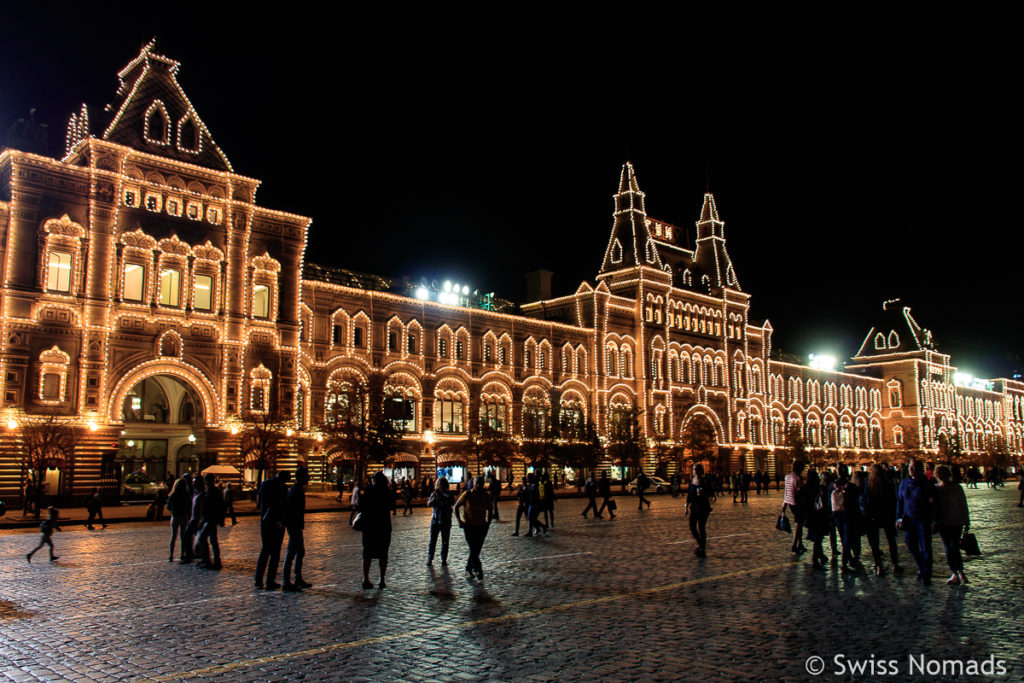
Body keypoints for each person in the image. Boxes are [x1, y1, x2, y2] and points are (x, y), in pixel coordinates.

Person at [897, 460, 935, 584]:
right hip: (909, 519)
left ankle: (926, 574)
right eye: (909, 467)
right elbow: (900, 501)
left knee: (925, 547)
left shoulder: (927, 483)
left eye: (913, 467)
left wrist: (934, 520)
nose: (911, 469)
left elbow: (934, 503)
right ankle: (922, 566)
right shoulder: (904, 483)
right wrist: (898, 517)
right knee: (910, 545)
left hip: (923, 519)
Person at [861, 464, 902, 576]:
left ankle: (878, 565)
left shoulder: (868, 483)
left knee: (875, 542)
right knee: (891, 540)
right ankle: (895, 564)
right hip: (886, 514)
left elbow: (865, 498)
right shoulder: (887, 484)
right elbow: (893, 499)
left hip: (873, 515)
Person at [933, 464, 969, 585]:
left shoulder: (957, 488)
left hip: (956, 521)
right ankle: (955, 572)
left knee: (954, 547)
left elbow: (963, 504)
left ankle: (960, 572)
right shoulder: (936, 489)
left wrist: (967, 521)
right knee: (948, 549)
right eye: (939, 474)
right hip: (943, 523)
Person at [454, 475, 495, 580]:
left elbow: (490, 511)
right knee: (473, 548)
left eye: (480, 483)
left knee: (475, 550)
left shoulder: (486, 496)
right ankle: (478, 569)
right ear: (473, 483)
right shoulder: (467, 494)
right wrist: (459, 521)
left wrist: (488, 523)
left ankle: (468, 568)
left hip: (481, 526)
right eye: (476, 483)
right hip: (469, 526)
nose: (478, 485)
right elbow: (456, 507)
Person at [359, 471, 394, 589]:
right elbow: (392, 506)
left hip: (369, 526)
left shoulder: (368, 491)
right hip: (383, 526)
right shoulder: (387, 492)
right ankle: (382, 580)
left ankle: (366, 579)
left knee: (367, 553)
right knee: (383, 554)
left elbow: (360, 506)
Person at [255, 471, 289, 590]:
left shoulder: (265, 484)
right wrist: (281, 520)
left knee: (265, 551)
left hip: (265, 521)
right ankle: (270, 580)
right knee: (275, 553)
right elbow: (283, 505)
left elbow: (259, 500)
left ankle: (258, 580)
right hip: (276, 523)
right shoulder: (281, 487)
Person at [283, 467, 311, 591]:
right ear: (301, 477)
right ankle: (286, 581)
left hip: (296, 525)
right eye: (307, 476)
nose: (309, 478)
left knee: (300, 552)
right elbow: (290, 509)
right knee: (292, 553)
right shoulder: (296, 491)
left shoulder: (297, 489)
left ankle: (297, 578)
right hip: (294, 525)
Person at [798, 469, 828, 569]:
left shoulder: (804, 488)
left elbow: (797, 499)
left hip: (809, 516)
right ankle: (815, 560)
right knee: (818, 539)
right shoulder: (820, 488)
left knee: (817, 538)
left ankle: (821, 556)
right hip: (819, 515)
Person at [195, 473, 225, 570]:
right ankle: (215, 561)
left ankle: (207, 560)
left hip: (210, 519)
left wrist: (203, 520)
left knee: (203, 538)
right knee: (213, 540)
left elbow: (214, 507)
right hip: (211, 519)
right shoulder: (212, 491)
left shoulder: (212, 492)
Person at [685, 464, 715, 557]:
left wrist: (704, 494)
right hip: (694, 507)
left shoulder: (705, 481)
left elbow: (712, 496)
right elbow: (689, 496)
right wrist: (686, 507)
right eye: (694, 469)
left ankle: (702, 548)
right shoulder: (692, 481)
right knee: (692, 527)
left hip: (703, 507)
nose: (695, 471)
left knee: (701, 528)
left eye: (697, 469)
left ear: (701, 470)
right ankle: (700, 544)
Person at [426, 477, 455, 565]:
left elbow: (452, 503)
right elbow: (428, 504)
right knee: (432, 540)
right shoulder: (435, 494)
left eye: (443, 485)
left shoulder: (449, 494)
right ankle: (430, 558)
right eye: (440, 485)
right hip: (435, 519)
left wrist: (444, 499)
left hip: (445, 519)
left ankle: (443, 559)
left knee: (445, 541)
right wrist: (435, 498)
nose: (441, 487)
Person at [782, 461, 806, 554]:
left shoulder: (787, 477)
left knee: (798, 523)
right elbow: (800, 492)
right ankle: (794, 544)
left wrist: (783, 507)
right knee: (798, 524)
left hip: (789, 503)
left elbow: (786, 491)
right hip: (798, 503)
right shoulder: (798, 478)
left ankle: (800, 544)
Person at [166, 477, 191, 562]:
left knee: (173, 536)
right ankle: (182, 554)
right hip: (183, 516)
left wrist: (173, 511)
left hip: (175, 516)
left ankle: (171, 555)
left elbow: (168, 506)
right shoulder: (185, 495)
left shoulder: (172, 495)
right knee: (183, 536)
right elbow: (189, 506)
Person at [187, 475, 207, 564]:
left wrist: (200, 521)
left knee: (190, 537)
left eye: (195, 482)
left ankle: (202, 558)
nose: (193, 484)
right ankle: (193, 555)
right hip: (192, 519)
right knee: (190, 538)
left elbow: (202, 509)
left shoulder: (201, 494)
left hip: (196, 520)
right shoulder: (196, 492)